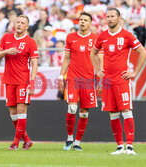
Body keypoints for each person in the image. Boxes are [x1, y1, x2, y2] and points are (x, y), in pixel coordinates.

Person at [90, 8, 146, 155]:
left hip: (122, 80)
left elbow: (143, 52)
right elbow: (93, 53)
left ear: (119, 18)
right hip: (107, 81)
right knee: (113, 113)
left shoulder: (126, 35)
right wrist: (98, 70)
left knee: (126, 111)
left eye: (112, 16)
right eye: (107, 16)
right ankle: (119, 146)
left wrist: (134, 72)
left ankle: (130, 146)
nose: (109, 19)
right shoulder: (102, 36)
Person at [0, 15, 39, 150]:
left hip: (23, 80)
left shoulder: (30, 42)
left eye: (22, 23)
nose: (19, 24)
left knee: (21, 110)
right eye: (17, 22)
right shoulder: (6, 38)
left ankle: (15, 143)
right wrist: (7, 51)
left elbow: (34, 63)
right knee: (13, 113)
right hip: (9, 79)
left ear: (26, 26)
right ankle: (27, 140)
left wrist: (32, 81)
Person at [58, 12, 99, 151]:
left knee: (84, 112)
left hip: (88, 80)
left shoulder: (95, 39)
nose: (82, 22)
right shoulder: (70, 37)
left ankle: (77, 142)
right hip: (73, 78)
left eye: (85, 20)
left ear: (90, 23)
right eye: (81, 19)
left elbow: (99, 60)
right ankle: (69, 138)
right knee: (72, 108)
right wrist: (60, 76)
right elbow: (67, 58)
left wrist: (100, 78)